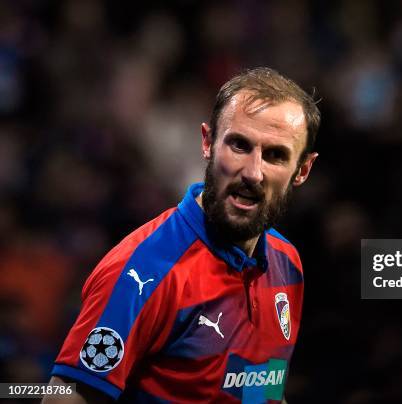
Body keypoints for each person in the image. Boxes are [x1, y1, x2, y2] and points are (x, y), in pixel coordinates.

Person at [43, 67, 320, 403]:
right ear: (207, 143)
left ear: (302, 170)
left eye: (275, 155)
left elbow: (258, 392)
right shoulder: (141, 272)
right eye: (239, 145)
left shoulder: (287, 262)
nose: (252, 172)